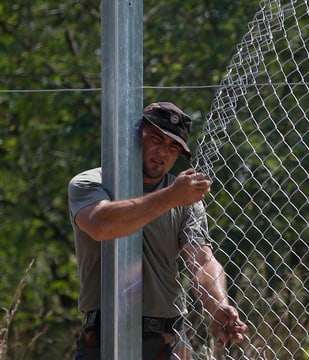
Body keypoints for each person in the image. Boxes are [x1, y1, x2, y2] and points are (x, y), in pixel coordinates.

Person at [68, 102, 248, 359]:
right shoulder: (92, 183)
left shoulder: (185, 198)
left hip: (166, 338)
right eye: (156, 139)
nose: (162, 152)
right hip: (104, 335)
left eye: (173, 147)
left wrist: (218, 305)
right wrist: (170, 198)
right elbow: (100, 224)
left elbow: (201, 260)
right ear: (135, 135)